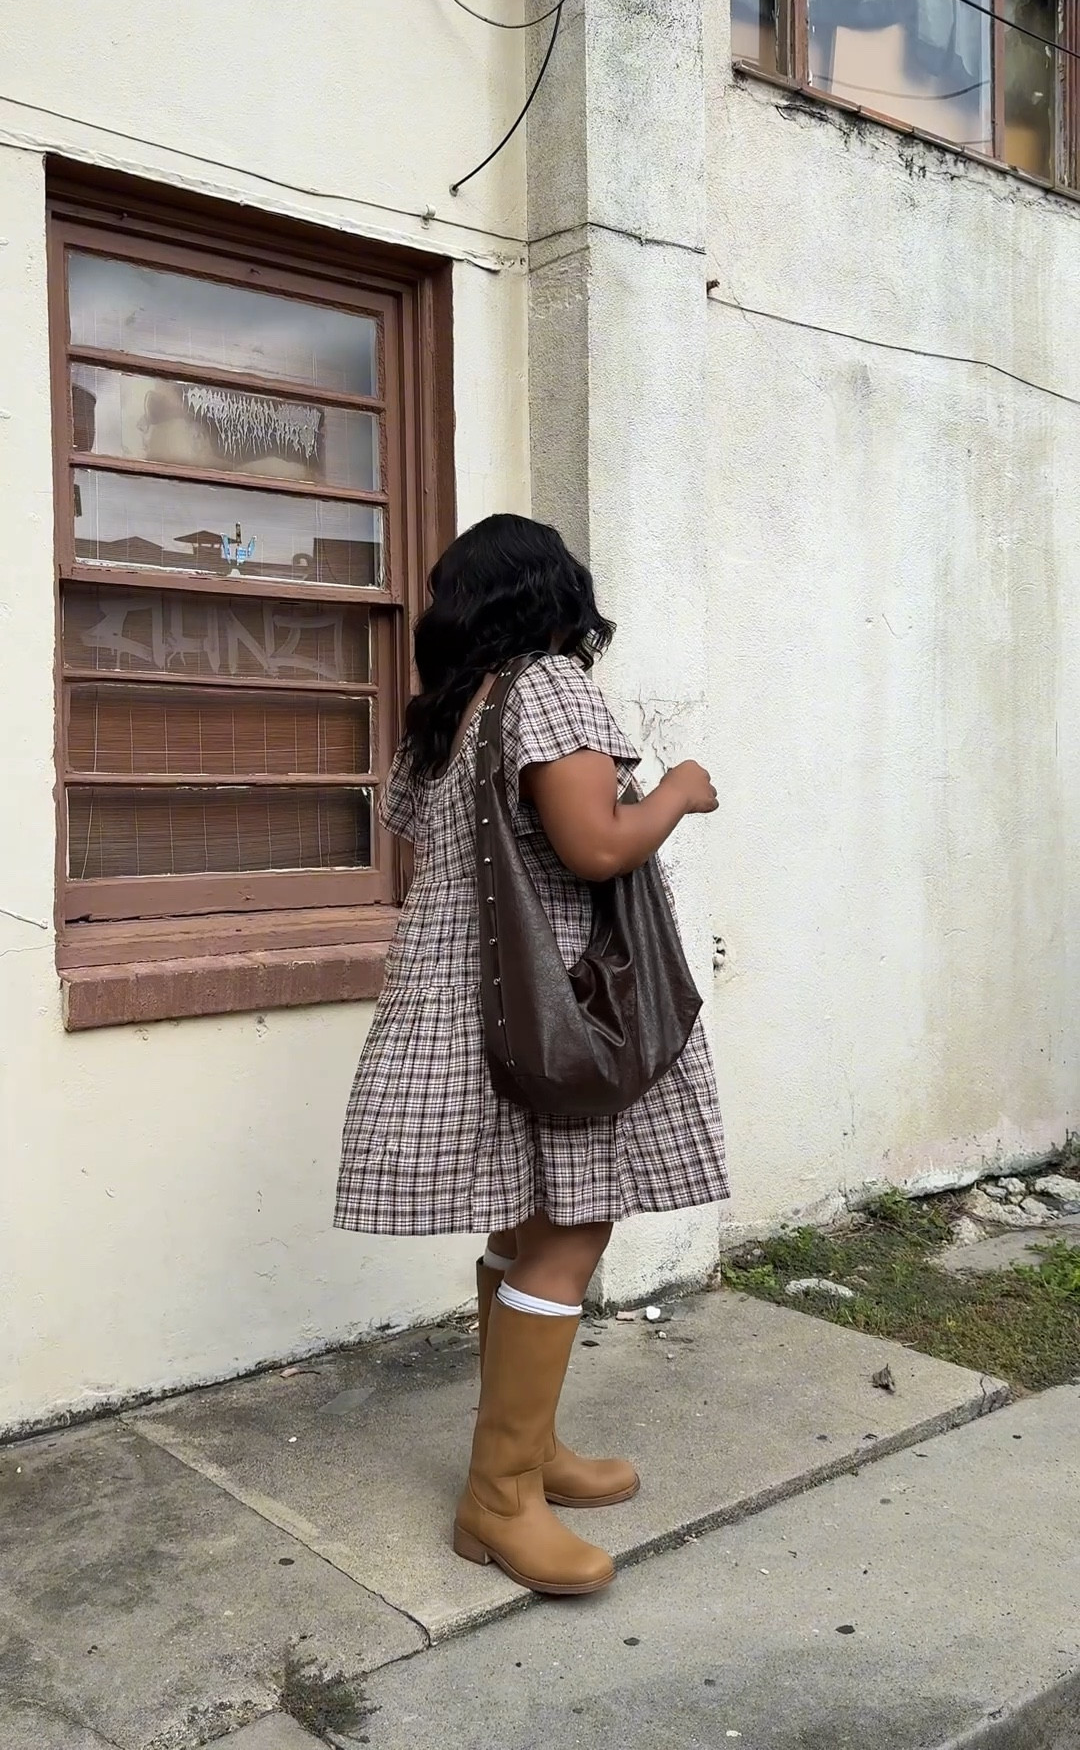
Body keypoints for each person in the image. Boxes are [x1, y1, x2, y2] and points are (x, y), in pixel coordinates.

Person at [334, 513, 728, 1597]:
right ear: (556, 595)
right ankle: (500, 1496)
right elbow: (595, 845)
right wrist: (678, 791)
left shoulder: (455, 714)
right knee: (570, 1226)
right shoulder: (551, 685)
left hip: (473, 1000)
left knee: (525, 1227)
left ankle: (529, 1452)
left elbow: (435, 854)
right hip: (558, 1004)